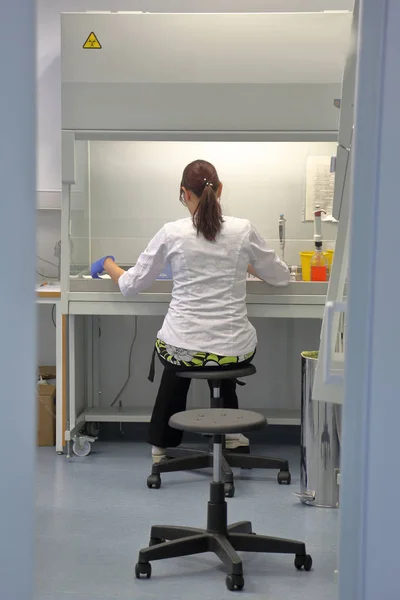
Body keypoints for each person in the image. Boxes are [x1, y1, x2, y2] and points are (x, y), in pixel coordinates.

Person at [91, 159, 290, 462]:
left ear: (184, 193)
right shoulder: (242, 230)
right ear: (220, 190)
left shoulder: (172, 233)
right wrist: (244, 260)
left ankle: (161, 444)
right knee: (219, 353)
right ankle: (231, 435)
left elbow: (131, 285)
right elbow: (281, 277)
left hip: (182, 348)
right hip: (234, 351)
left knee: (180, 352)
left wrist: (107, 263)